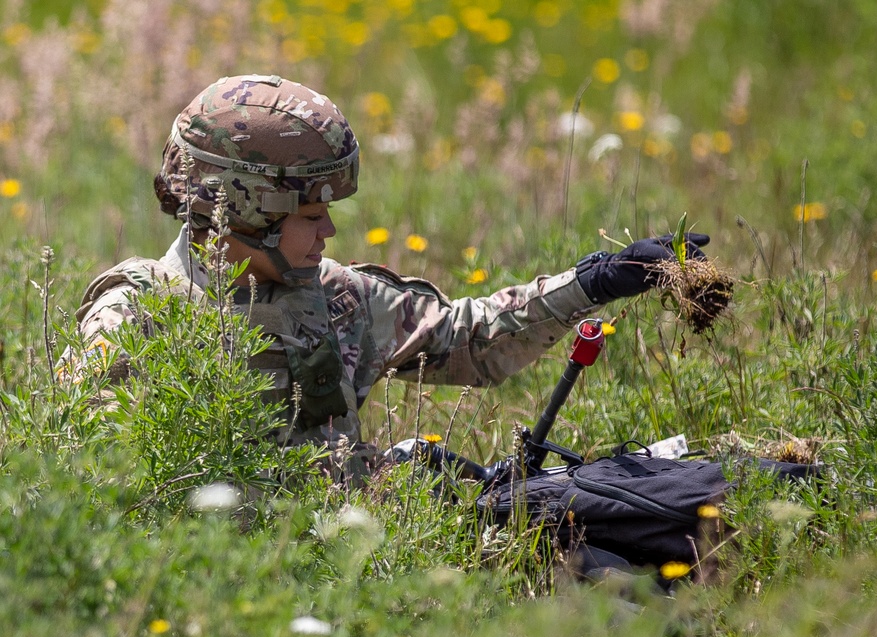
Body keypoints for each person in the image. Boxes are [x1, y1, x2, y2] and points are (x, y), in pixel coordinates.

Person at [71, 74, 710, 483]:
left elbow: (468, 339)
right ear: (246, 210)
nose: (328, 232)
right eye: (311, 215)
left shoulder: (334, 297)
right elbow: (95, 478)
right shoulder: (135, 317)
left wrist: (597, 281)